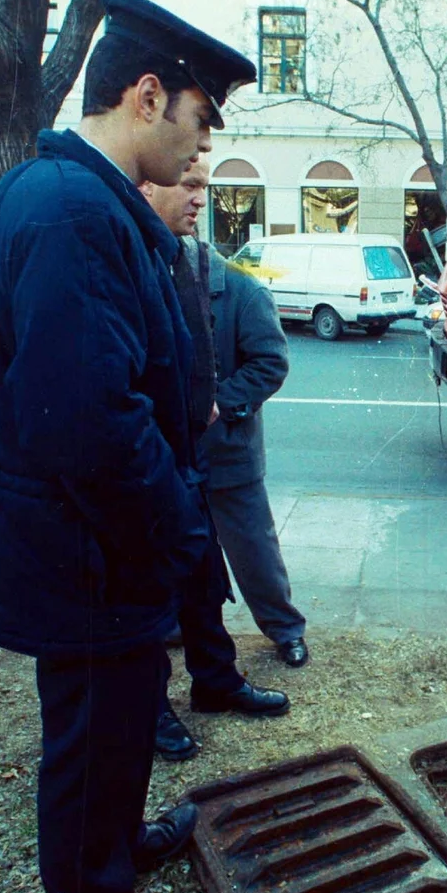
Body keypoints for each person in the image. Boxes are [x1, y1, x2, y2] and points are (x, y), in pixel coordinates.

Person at [0, 0, 257, 893]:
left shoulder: (73, 197)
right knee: (92, 734)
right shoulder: (72, 209)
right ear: (145, 94)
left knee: (118, 717)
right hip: (84, 550)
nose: (202, 143)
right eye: (201, 117)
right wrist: (176, 531)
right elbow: (88, 419)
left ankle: (115, 849)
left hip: (87, 544)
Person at [142, 166, 305, 760]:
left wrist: (221, 402)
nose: (194, 200)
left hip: (228, 455)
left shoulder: (240, 289)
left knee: (254, 553)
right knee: (188, 569)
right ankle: (183, 654)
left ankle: (285, 632)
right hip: (170, 465)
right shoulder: (146, 280)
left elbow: (271, 364)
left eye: (200, 192)